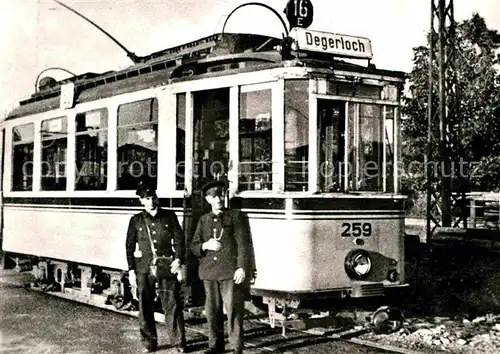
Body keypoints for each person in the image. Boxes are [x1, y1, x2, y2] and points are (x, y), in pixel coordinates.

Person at [190, 181, 251, 354]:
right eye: (214, 196)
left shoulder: (235, 216)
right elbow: (194, 246)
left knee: (233, 311)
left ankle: (236, 348)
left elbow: (243, 245)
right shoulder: (204, 220)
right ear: (208, 199)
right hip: (209, 272)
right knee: (212, 312)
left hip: (229, 272)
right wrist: (205, 245)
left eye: (221, 195)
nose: (219, 200)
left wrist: (241, 268)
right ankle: (215, 346)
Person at [126, 182, 186, 353]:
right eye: (146, 199)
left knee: (172, 305)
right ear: (141, 201)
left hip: (166, 267)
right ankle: (148, 343)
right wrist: (131, 270)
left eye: (153, 198)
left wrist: (179, 259)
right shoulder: (136, 220)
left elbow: (179, 240)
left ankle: (179, 343)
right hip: (144, 269)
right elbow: (129, 247)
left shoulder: (169, 216)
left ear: (157, 198)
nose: (151, 202)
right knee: (145, 307)